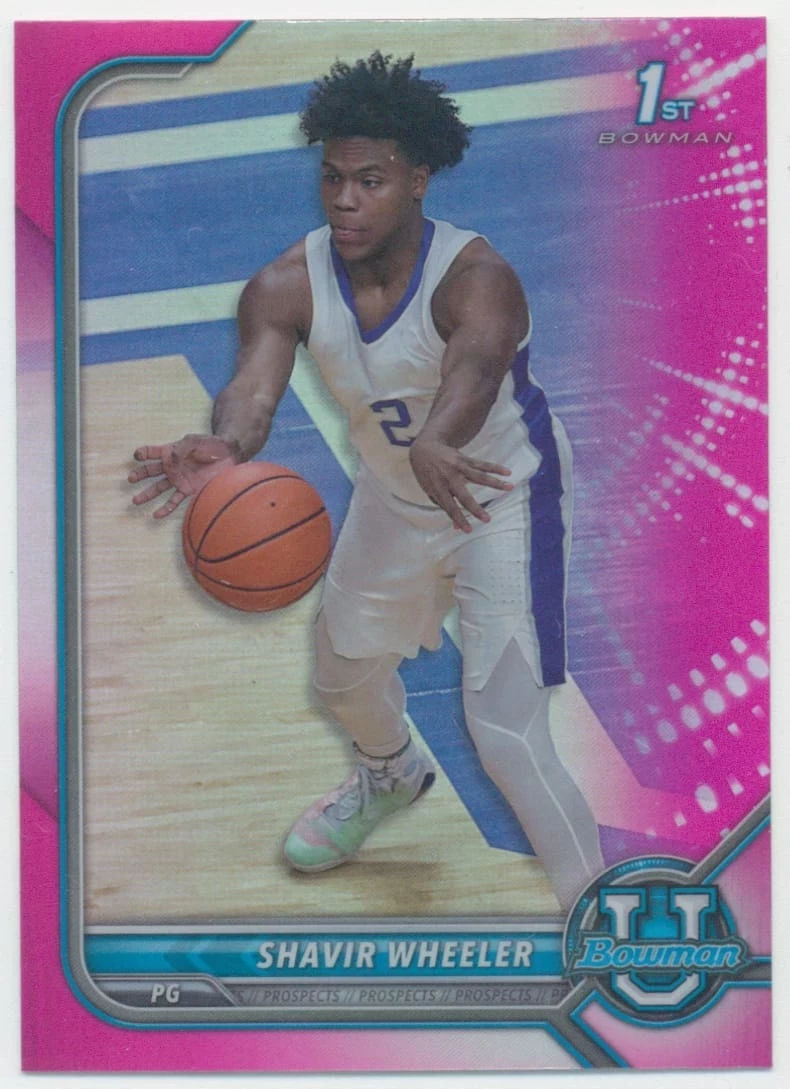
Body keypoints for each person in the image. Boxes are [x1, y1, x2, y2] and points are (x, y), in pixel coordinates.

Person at [129, 52, 604, 911]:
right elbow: (255, 388)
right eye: (333, 178)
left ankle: (603, 919)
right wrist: (225, 443)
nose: (344, 200)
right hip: (396, 498)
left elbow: (476, 367)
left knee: (505, 731)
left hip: (502, 497)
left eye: (370, 181)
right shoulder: (285, 283)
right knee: (341, 675)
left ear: (418, 180)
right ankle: (391, 774)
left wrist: (439, 437)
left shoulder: (477, 277)